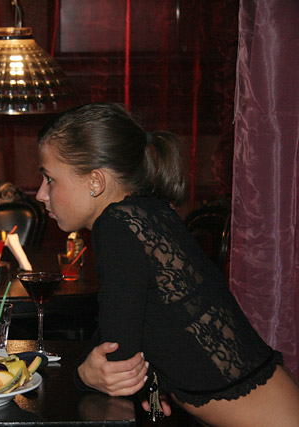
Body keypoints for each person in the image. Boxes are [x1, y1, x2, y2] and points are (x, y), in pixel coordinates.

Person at [35, 103, 299, 425]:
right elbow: (154, 326)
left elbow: (118, 358)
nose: (40, 194)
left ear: (95, 182)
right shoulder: (147, 212)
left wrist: (82, 374)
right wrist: (153, 382)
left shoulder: (117, 226)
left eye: (50, 179)